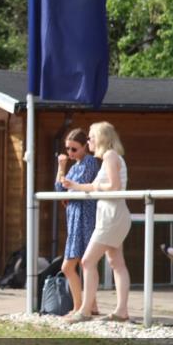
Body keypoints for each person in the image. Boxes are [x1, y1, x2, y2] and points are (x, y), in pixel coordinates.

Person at [62, 121, 132, 323]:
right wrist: (74, 185)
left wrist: (93, 189)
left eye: (91, 137)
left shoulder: (110, 156)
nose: (89, 141)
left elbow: (114, 187)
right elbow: (95, 185)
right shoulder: (110, 157)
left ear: (100, 139)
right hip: (112, 215)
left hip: (111, 216)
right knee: (116, 263)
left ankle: (85, 310)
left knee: (87, 261)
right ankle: (121, 311)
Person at [54, 128, 100, 316]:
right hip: (73, 217)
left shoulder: (89, 163)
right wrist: (61, 167)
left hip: (85, 217)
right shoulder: (74, 166)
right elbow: (60, 189)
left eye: (74, 149)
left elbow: (72, 189)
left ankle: (80, 306)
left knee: (71, 265)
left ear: (84, 147)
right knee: (82, 263)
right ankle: (90, 306)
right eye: (68, 150)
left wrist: (68, 192)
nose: (70, 154)